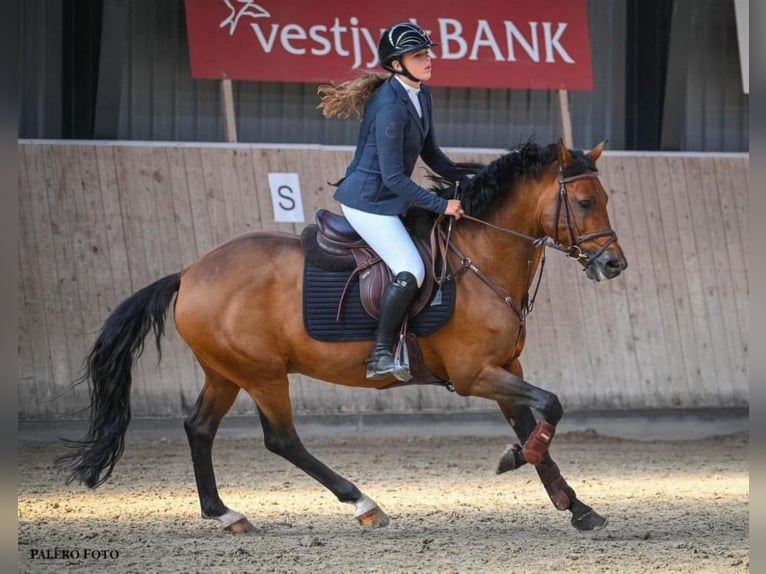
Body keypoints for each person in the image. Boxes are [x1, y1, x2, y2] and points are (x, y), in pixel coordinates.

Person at [318, 22, 465, 380]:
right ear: (397, 65)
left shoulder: (420, 94)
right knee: (411, 268)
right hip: (368, 201)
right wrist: (441, 205)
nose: (429, 60)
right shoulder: (389, 108)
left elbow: (431, 153)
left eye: (428, 53)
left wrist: (470, 181)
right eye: (419, 56)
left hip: (389, 198)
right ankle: (380, 354)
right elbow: (393, 178)